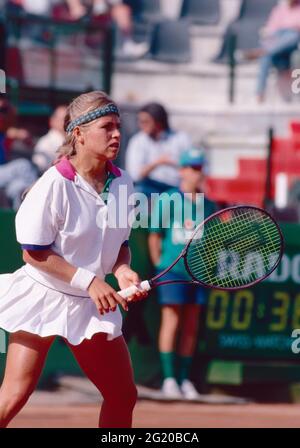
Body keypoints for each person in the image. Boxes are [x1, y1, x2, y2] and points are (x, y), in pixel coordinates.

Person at [0, 90, 148, 428]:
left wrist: (123, 270)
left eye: (119, 127)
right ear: (78, 134)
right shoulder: (53, 184)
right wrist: (90, 281)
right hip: (44, 296)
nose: (116, 135)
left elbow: (120, 243)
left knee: (123, 395)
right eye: (106, 127)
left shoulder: (123, 182)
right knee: (13, 395)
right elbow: (34, 251)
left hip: (89, 306)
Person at [148, 148, 217, 400]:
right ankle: (168, 379)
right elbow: (155, 235)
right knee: (172, 321)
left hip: (198, 273)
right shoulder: (168, 199)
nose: (197, 173)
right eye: (193, 167)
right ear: (182, 170)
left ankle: (184, 379)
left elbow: (212, 240)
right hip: (171, 270)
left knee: (191, 325)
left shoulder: (208, 204)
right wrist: (159, 266)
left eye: (200, 168)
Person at [125, 102, 192, 198]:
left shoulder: (181, 138)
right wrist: (157, 163)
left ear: (158, 122)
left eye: (145, 122)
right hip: (149, 187)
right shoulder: (137, 141)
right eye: (140, 121)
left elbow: (194, 168)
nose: (141, 125)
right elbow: (134, 175)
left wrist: (174, 163)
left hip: (176, 187)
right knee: (138, 192)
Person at [248, 0, 300, 102]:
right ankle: (260, 93)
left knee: (292, 36)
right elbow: (271, 30)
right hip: (278, 38)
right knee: (265, 56)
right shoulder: (278, 10)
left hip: (293, 40)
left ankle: (264, 51)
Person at [32, 105, 67, 174]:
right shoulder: (45, 143)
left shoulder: (73, 141)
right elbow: (39, 169)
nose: (68, 123)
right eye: (65, 119)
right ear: (52, 121)